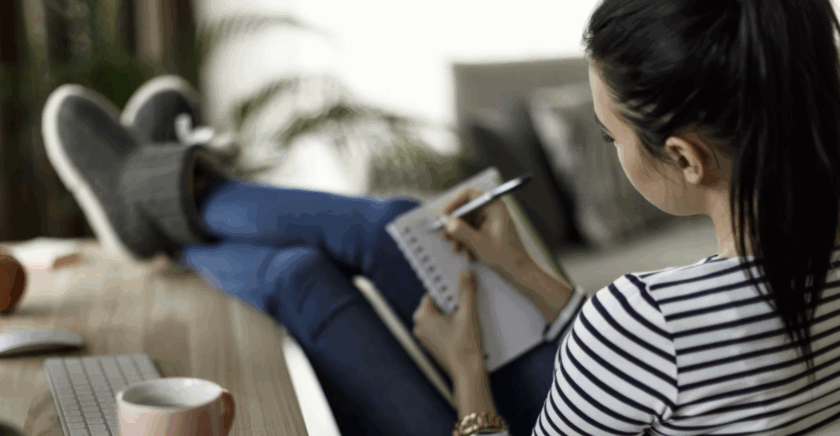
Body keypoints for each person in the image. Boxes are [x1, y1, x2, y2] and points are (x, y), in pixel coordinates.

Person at [40, 0, 840, 433]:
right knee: (392, 222)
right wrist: (523, 272)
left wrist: (463, 369)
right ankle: (164, 203)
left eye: (611, 136)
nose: (612, 149)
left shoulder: (643, 321)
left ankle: (157, 202)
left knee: (303, 278)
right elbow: (655, 372)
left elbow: (644, 349)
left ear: (688, 157)